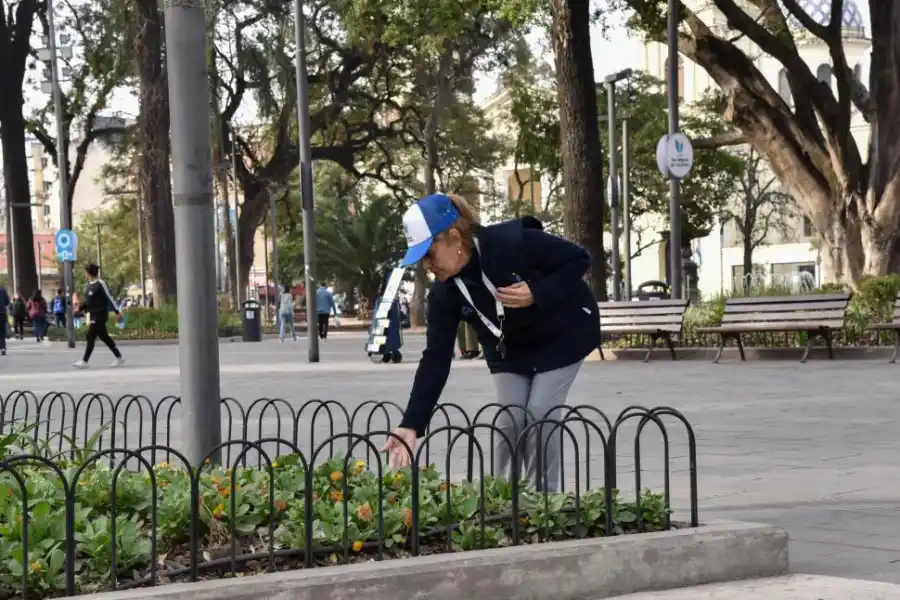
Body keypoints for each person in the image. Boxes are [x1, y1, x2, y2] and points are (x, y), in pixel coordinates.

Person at [380, 193, 600, 492]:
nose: (427, 266)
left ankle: (545, 504)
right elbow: (435, 358)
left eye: (429, 254)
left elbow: (578, 259)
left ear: (455, 238)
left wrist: (538, 291)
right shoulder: (444, 293)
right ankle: (503, 500)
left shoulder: (510, 242)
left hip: (562, 335)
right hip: (509, 348)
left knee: (539, 415)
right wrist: (411, 424)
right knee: (509, 420)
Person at [72, 263, 124, 369]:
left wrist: (117, 312)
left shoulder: (100, 283)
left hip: (100, 314)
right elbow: (88, 301)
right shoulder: (89, 285)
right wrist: (79, 308)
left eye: (85, 272)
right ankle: (119, 357)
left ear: (89, 273)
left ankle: (84, 361)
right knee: (104, 337)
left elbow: (109, 298)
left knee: (90, 336)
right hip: (93, 314)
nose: (85, 274)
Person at [0, 285, 8, 356]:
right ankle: (2, 348)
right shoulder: (3, 291)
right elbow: (7, 302)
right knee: (2, 332)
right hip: (1, 314)